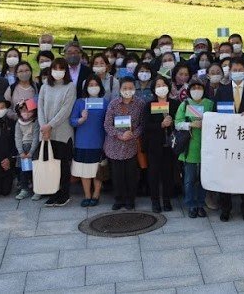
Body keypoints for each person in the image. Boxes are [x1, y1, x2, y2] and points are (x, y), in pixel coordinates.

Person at [213, 58, 244, 222]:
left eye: (240, 69)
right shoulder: (222, 90)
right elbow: (215, 114)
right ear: (230, 71)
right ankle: (226, 209)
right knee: (226, 175)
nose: (238, 71)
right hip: (227, 141)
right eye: (235, 69)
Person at [37, 57, 77, 207]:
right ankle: (53, 192)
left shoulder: (70, 87)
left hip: (62, 132)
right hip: (46, 132)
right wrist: (43, 126)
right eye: (55, 68)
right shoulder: (45, 87)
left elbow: (65, 110)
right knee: (50, 165)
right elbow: (40, 108)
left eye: (62, 69)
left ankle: (64, 193)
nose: (58, 72)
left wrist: (50, 125)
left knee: (62, 164)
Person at [103, 76, 145, 211]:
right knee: (117, 175)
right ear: (120, 89)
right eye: (125, 88)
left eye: (131, 88)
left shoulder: (140, 103)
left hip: (132, 145)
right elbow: (107, 124)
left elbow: (142, 125)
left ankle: (130, 200)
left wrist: (133, 134)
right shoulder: (113, 104)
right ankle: (118, 199)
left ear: (135, 89)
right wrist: (119, 135)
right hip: (114, 145)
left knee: (131, 175)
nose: (128, 90)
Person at [175, 78, 213, 218]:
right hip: (189, 147)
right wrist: (190, 125)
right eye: (194, 88)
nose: (197, 90)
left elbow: (217, 120)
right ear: (189, 90)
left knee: (203, 179)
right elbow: (177, 123)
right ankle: (191, 204)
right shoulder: (185, 104)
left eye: (199, 87)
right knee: (189, 179)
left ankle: (200, 204)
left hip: (207, 147)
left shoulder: (209, 104)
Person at [69, 73, 107, 207]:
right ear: (86, 87)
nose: (93, 87)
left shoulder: (105, 102)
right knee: (84, 170)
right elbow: (72, 121)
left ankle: (96, 194)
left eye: (96, 85)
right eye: (90, 85)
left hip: (99, 141)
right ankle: (87, 195)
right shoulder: (80, 102)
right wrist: (81, 119)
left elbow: (109, 121)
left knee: (98, 170)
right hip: (82, 142)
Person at [142, 74, 176, 213]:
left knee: (168, 174)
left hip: (171, 145)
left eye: (163, 85)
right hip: (155, 145)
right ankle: (155, 201)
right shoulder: (149, 105)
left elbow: (180, 121)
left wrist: (172, 123)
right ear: (153, 89)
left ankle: (167, 200)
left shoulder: (175, 104)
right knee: (154, 174)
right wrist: (161, 125)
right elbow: (146, 125)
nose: (161, 88)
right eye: (158, 85)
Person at [14, 99, 38, 199]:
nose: (26, 113)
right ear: (19, 112)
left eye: (29, 110)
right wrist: (21, 152)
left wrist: (31, 151)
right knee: (24, 170)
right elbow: (18, 137)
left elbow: (36, 137)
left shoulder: (35, 122)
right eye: (23, 110)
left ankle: (38, 189)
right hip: (23, 149)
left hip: (34, 148)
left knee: (36, 170)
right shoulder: (18, 123)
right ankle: (24, 189)